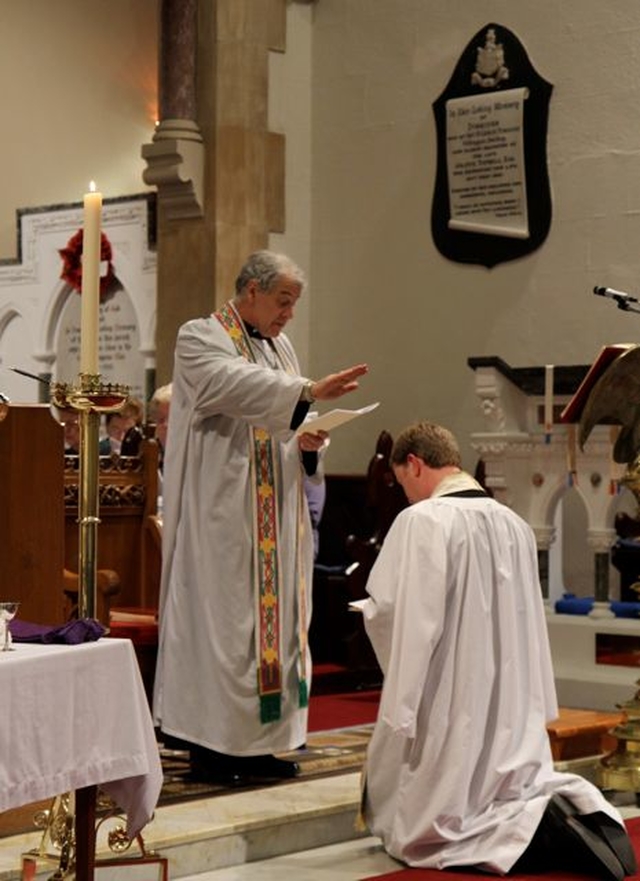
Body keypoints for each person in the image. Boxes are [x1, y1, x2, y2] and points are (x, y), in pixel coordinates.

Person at [361, 421, 636, 880]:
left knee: (430, 822)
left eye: (403, 480)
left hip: (450, 685)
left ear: (414, 463)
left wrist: (375, 621)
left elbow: (404, 615)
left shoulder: (421, 522)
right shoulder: (513, 522)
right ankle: (550, 816)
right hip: (507, 691)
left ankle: (533, 835)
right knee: (500, 780)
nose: (405, 493)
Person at [154, 250, 368, 785]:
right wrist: (307, 393)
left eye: (295, 303)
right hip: (225, 522)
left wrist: (310, 436)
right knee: (228, 633)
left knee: (279, 636)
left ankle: (264, 745)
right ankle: (216, 750)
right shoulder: (200, 337)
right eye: (283, 301)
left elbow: (284, 422)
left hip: (279, 519)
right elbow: (232, 385)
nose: (289, 314)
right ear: (251, 290)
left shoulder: (283, 347)